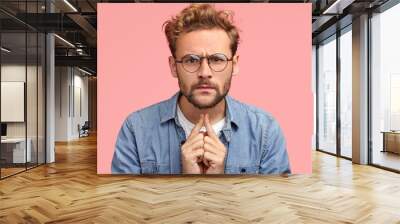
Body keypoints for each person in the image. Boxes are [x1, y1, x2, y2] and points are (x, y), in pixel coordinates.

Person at [111, 3, 291, 175]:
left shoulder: (265, 130)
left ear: (234, 65)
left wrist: (219, 182)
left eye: (217, 59)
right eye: (191, 60)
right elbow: (122, 205)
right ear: (174, 66)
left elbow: (274, 205)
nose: (204, 72)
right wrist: (188, 182)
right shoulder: (136, 129)